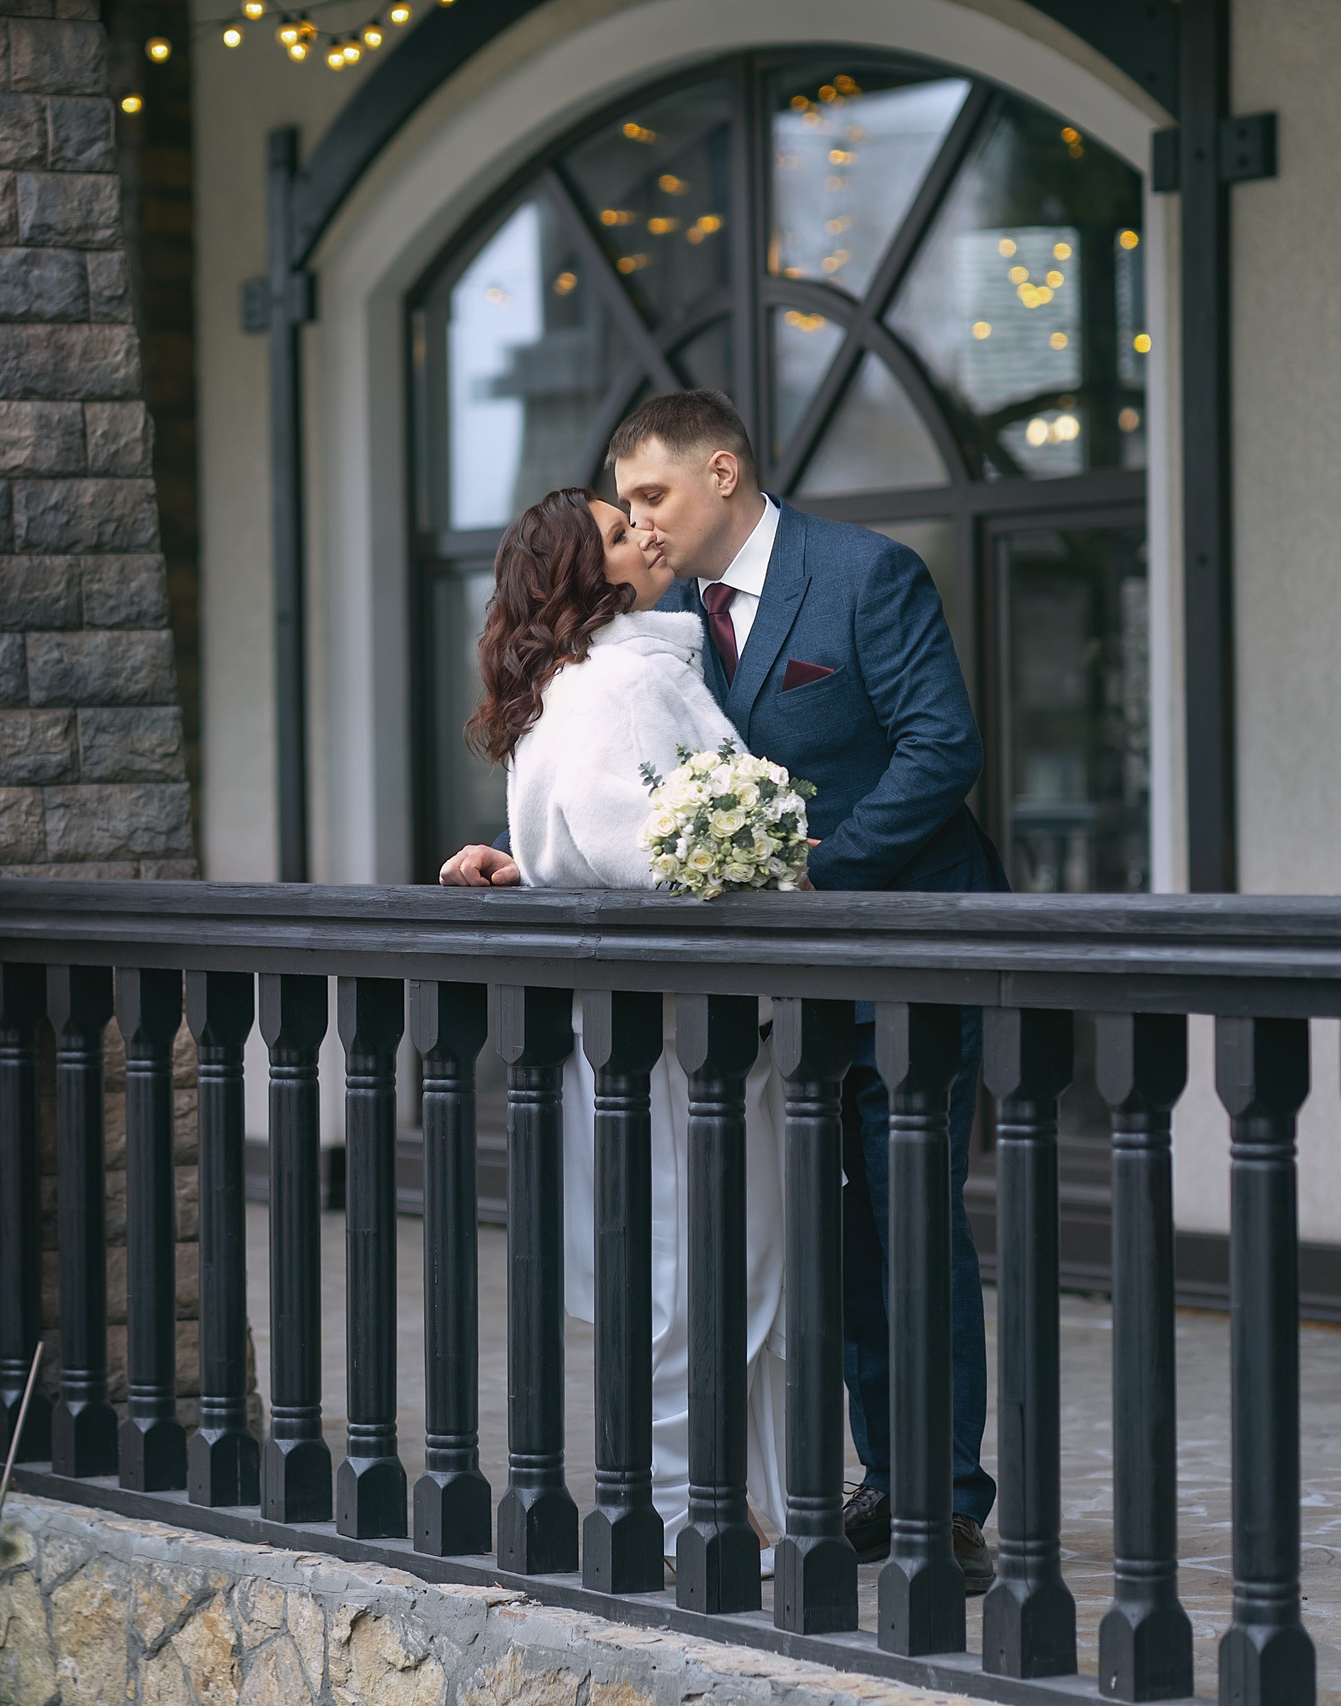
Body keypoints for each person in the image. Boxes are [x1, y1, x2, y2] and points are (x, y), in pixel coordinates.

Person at [441, 390, 1003, 1593]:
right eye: (623, 507)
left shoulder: (864, 574)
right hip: (770, 1005)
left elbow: (939, 749)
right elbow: (640, 784)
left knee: (910, 1223)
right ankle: (878, 1480)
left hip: (899, 955)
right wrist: (535, 864)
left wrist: (810, 881)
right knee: (830, 1244)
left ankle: (944, 1501)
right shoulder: (660, 622)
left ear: (722, 470)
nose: (641, 520)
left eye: (651, 495)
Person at [464, 487, 789, 1578]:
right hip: (679, 1043)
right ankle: (696, 1510)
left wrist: (530, 867)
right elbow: (653, 851)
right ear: (580, 581)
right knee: (708, 1270)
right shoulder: (627, 682)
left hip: (618, 1038)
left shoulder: (573, 688)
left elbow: (584, 838)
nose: (646, 530)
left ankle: (708, 1500)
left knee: (671, 1266)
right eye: (618, 529)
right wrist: (770, 852)